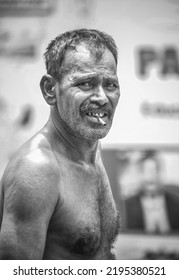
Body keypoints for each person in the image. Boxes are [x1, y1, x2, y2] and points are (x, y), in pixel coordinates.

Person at [0, 29, 121, 259]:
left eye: (111, 85)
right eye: (85, 83)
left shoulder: (91, 147)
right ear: (49, 90)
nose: (102, 97)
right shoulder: (36, 170)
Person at [124, 151, 179, 233]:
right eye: (145, 171)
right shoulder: (126, 205)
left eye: (154, 170)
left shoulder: (176, 202)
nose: (150, 176)